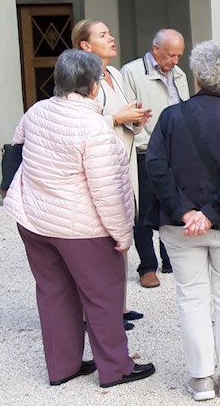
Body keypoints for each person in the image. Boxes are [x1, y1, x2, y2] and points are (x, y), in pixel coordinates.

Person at [3, 49, 156, 388]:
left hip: (33, 218)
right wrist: (122, 235)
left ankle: (62, 366)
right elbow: (108, 190)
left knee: (53, 292)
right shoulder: (94, 127)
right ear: (92, 87)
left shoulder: (36, 111)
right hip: (81, 227)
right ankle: (116, 367)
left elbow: (15, 151)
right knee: (103, 296)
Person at [145, 40, 220, 399]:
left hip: (179, 225)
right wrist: (209, 215)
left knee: (191, 298)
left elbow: (155, 167)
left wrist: (185, 211)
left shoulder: (170, 117)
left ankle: (200, 378)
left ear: (196, 77)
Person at [73, 20, 153, 321]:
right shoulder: (81, 78)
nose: (111, 38)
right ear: (85, 45)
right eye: (103, 35)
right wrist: (119, 118)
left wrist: (135, 119)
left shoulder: (115, 74)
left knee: (121, 232)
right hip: (100, 167)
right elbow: (80, 126)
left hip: (124, 163)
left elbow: (119, 116)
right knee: (102, 239)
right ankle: (100, 311)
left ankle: (117, 306)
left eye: (110, 33)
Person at [120, 28, 189, 288]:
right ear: (156, 49)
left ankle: (169, 258)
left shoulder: (179, 74)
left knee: (173, 205)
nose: (175, 61)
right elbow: (129, 113)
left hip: (175, 152)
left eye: (179, 55)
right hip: (145, 151)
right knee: (144, 211)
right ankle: (147, 266)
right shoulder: (131, 72)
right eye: (171, 55)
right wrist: (149, 145)